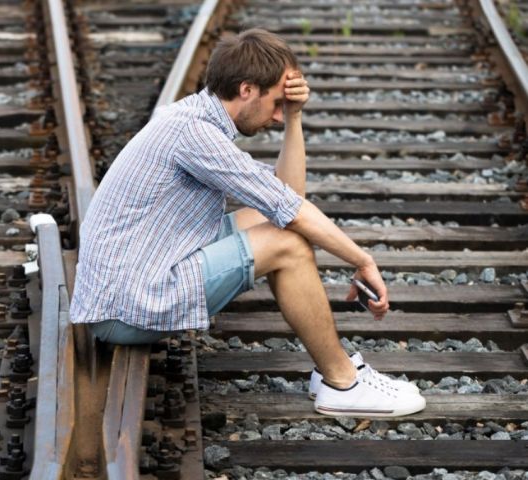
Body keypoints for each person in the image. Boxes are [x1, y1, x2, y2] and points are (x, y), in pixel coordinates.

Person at [69, 29, 425, 417]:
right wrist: (362, 261)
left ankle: (336, 375)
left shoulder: (194, 116)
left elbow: (288, 195)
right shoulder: (196, 134)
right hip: (126, 307)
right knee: (287, 244)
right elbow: (291, 209)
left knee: (275, 220)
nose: (276, 114)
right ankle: (342, 381)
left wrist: (294, 118)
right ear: (246, 90)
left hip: (131, 279)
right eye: (276, 103)